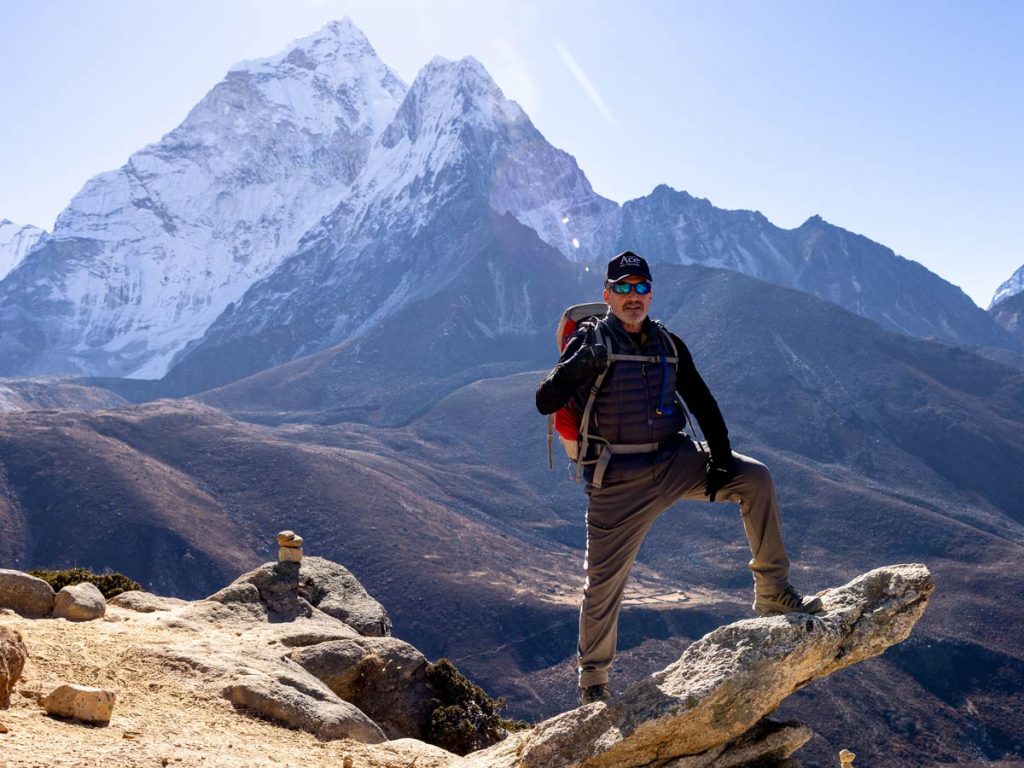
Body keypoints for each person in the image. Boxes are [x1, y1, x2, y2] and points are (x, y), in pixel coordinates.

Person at [535, 250, 822, 706]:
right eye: (623, 288)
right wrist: (577, 368)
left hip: (676, 461)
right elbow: (546, 401)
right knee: (603, 581)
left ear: (651, 293)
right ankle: (594, 682)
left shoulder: (668, 344)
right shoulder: (590, 344)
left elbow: (703, 401)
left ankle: (772, 591)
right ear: (606, 294)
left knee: (756, 479)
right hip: (618, 478)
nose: (633, 296)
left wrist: (723, 457)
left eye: (641, 287)